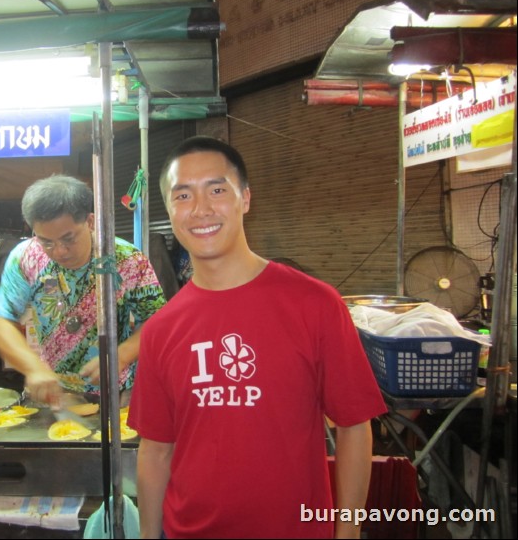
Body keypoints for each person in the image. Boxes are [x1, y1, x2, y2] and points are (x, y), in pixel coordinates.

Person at [127, 137, 387, 539]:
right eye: (183, 195)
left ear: (245, 198)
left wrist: (348, 531)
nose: (201, 209)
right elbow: (156, 449)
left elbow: (354, 425)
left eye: (217, 190)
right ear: (170, 210)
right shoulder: (162, 329)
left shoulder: (315, 304)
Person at [0, 174, 166, 407]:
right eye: (46, 241)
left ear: (90, 222)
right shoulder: (27, 257)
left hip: (117, 390)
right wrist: (33, 368)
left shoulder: (126, 260)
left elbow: (158, 320)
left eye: (68, 238)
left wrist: (122, 355)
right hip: (53, 392)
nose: (59, 251)